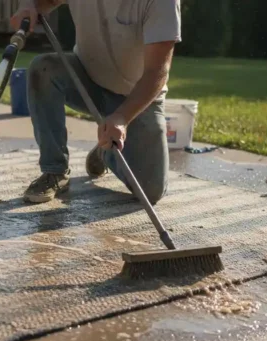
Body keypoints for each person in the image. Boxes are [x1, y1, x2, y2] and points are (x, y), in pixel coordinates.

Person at [10, 0, 181, 204]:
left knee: (151, 190)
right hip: (87, 80)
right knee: (43, 69)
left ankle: (105, 151)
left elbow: (157, 72)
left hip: (137, 98)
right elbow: (42, 3)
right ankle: (54, 171)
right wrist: (28, 5)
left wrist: (122, 117)